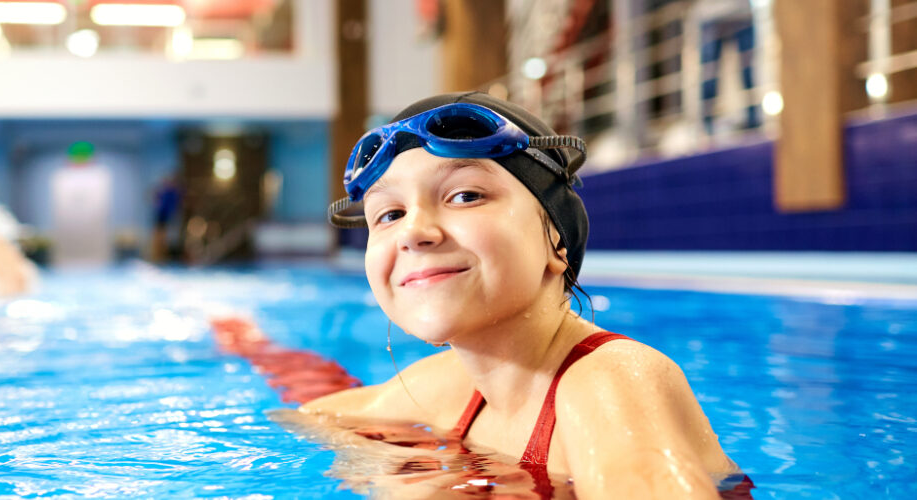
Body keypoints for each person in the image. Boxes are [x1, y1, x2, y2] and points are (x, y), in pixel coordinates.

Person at [302, 92, 750, 499]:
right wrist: (380, 467)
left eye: (464, 195)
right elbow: (311, 419)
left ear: (556, 238)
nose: (414, 232)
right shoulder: (449, 386)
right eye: (390, 213)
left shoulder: (610, 382)